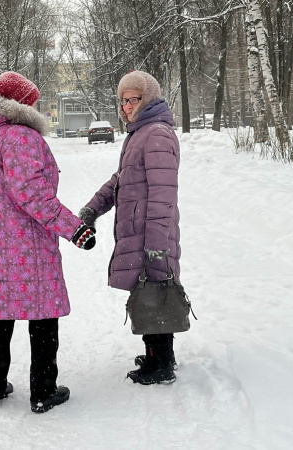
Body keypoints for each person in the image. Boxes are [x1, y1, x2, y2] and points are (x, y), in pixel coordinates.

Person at [0, 71, 96, 413]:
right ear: (21, 104)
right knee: (42, 315)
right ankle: (43, 390)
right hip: (25, 244)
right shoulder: (20, 137)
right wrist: (75, 229)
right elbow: (34, 195)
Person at [79, 70, 182, 385]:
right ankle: (161, 355)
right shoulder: (140, 133)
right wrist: (92, 208)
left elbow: (164, 194)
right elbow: (121, 180)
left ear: (146, 98)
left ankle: (160, 365)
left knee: (154, 289)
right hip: (140, 230)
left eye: (132, 99)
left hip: (152, 232)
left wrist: (155, 243)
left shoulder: (157, 134)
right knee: (148, 289)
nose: (126, 106)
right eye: (123, 100)